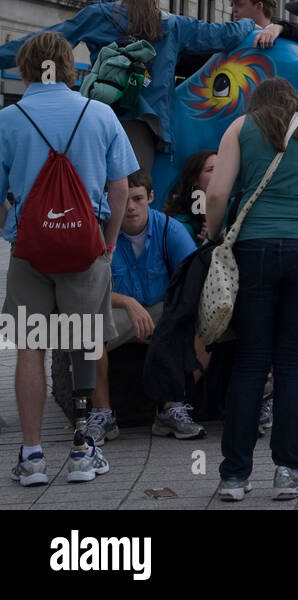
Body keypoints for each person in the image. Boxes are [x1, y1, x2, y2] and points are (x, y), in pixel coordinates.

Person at [1, 33, 135, 486]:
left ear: (25, 68)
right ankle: (82, 450)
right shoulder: (100, 115)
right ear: (68, 66)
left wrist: (11, 231)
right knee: (83, 343)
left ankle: (33, 455)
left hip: (31, 249)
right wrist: (109, 241)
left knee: (31, 348)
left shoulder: (9, 118)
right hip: (86, 246)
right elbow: (120, 188)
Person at [0, 0, 282, 175]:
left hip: (102, 117)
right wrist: (262, 26)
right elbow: (221, 35)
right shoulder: (172, 25)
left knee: (94, 194)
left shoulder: (99, 15)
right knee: (135, 200)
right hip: (149, 127)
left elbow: (43, 43)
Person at [204, 77, 298, 501]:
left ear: (256, 101)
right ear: (296, 102)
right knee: (293, 360)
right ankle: (289, 470)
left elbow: (217, 193)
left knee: (249, 359)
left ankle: (234, 476)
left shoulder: (240, 128)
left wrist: (216, 236)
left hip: (256, 248)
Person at [88, 170, 203, 444]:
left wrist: (173, 319)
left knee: (197, 324)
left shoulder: (170, 230)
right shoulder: (98, 232)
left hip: (163, 309)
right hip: (116, 311)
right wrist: (126, 302)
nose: (129, 207)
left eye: (138, 198)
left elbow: (192, 283)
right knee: (87, 331)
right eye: (123, 199)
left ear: (150, 197)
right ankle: (102, 414)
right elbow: (87, 291)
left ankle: (172, 408)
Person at [162, 149, 217, 244]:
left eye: (222, 168)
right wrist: (208, 244)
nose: (219, 173)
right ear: (194, 179)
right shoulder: (180, 225)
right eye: (211, 169)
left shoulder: (235, 207)